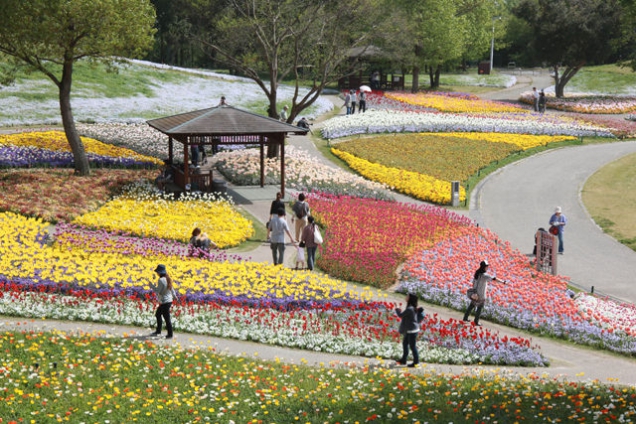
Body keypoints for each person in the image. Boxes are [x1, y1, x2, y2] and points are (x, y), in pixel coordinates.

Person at [463, 260, 507, 326]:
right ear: (484, 267)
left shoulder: (477, 273)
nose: (488, 267)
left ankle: (465, 318)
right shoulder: (484, 275)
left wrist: (474, 291)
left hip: (474, 293)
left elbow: (473, 282)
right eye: (487, 266)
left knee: (472, 305)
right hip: (480, 294)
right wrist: (503, 281)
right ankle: (476, 322)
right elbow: (494, 279)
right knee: (480, 307)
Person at [395, 293, 424, 368]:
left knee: (412, 346)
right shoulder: (411, 307)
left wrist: (397, 309)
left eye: (407, 296)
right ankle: (404, 360)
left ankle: (416, 362)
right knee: (405, 344)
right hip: (410, 330)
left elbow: (400, 315)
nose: (406, 297)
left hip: (412, 331)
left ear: (410, 299)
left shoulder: (410, 308)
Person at [150, 264, 178, 339]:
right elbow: (171, 289)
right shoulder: (167, 278)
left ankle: (169, 334)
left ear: (159, 272)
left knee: (166, 317)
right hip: (169, 300)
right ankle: (158, 331)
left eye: (157, 272)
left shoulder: (161, 280)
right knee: (158, 314)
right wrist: (175, 296)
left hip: (165, 301)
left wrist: (151, 286)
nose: (157, 273)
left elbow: (158, 291)